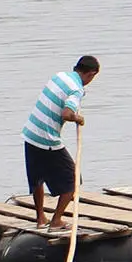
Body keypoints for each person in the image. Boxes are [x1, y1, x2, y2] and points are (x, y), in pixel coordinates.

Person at [23, 55, 99, 228]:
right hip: (46, 139)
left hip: (31, 132)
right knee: (73, 181)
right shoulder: (76, 89)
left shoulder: (59, 76)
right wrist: (77, 118)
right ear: (91, 74)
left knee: (38, 178)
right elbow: (66, 113)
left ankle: (40, 218)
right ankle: (56, 220)